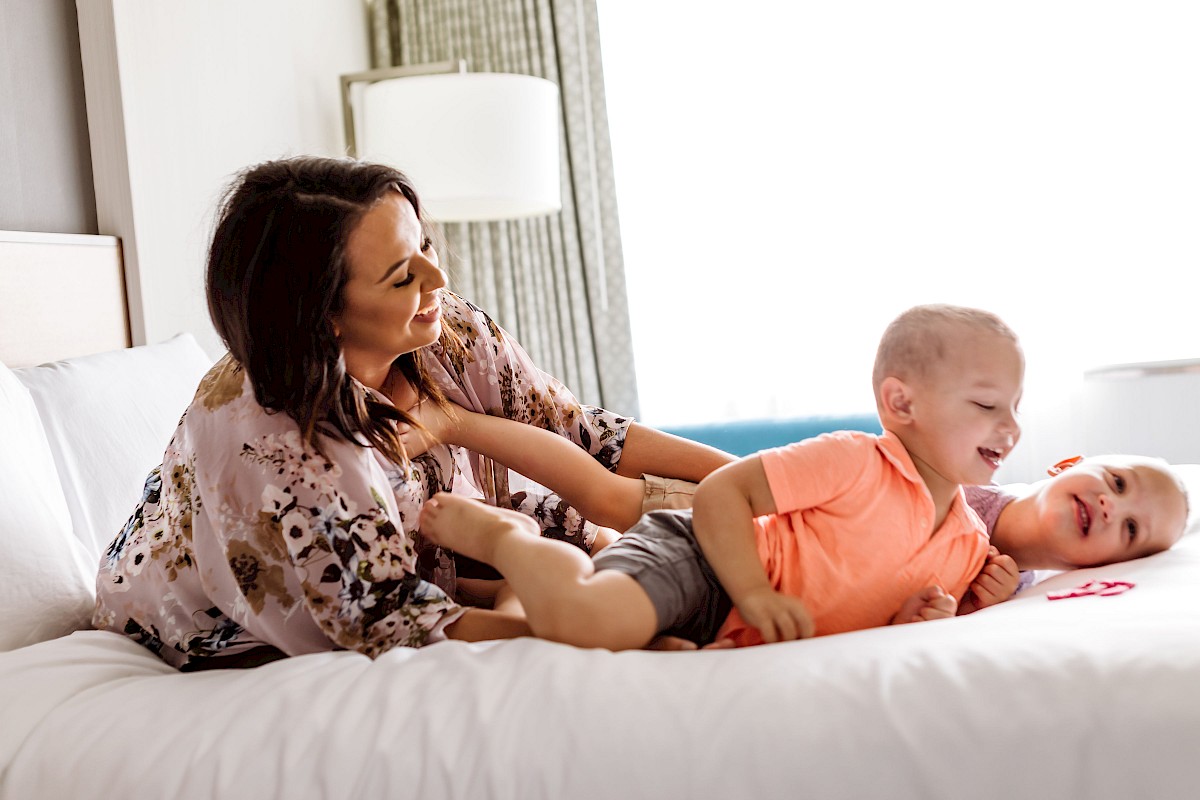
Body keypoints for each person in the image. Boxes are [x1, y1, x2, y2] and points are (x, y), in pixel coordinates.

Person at [92, 156, 733, 669]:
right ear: (324, 316)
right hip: (229, 625)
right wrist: (613, 638)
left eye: (425, 245)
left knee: (604, 538)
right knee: (587, 574)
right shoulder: (278, 448)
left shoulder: (443, 327)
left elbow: (584, 432)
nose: (437, 279)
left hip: (426, 542)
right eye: (402, 275)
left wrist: (755, 476)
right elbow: (390, 621)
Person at [417, 304, 1026, 650]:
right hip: (702, 557)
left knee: (608, 644)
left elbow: (871, 609)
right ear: (902, 404)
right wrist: (755, 591)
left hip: (729, 629)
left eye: (1016, 407)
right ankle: (507, 538)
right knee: (586, 623)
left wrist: (924, 616)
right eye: (985, 406)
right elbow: (722, 491)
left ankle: (607, 620)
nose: (1011, 428)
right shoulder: (858, 460)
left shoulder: (969, 544)